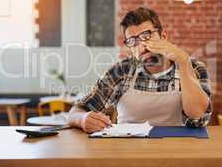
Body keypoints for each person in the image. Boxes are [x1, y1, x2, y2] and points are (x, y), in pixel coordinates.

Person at [67, 7, 212, 133]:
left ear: (164, 36)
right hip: (127, 154)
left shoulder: (194, 68)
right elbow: (77, 110)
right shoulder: (121, 71)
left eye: (147, 36)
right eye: (133, 41)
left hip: (176, 153)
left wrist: (183, 61)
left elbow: (197, 118)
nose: (141, 46)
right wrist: (82, 119)